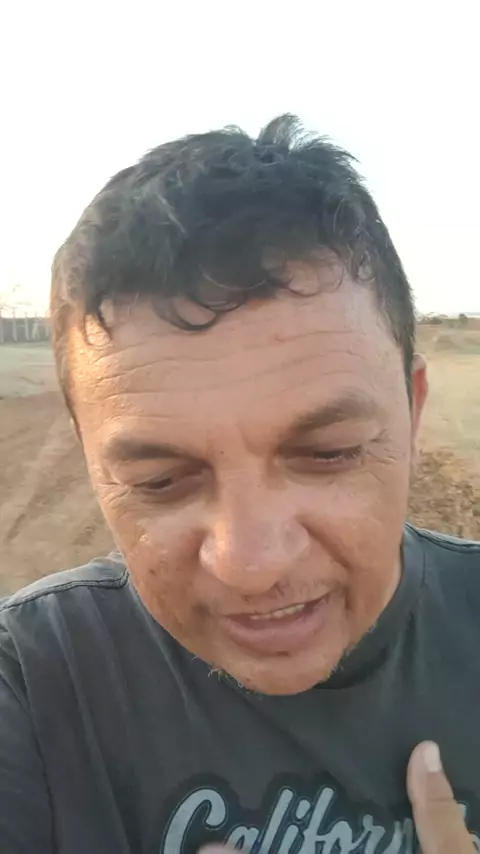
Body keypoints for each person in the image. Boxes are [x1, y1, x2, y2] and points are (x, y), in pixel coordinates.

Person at [0, 115, 478, 854]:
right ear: (90, 459)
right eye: (161, 480)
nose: (252, 565)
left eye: (328, 453)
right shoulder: (31, 682)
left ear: (412, 415)